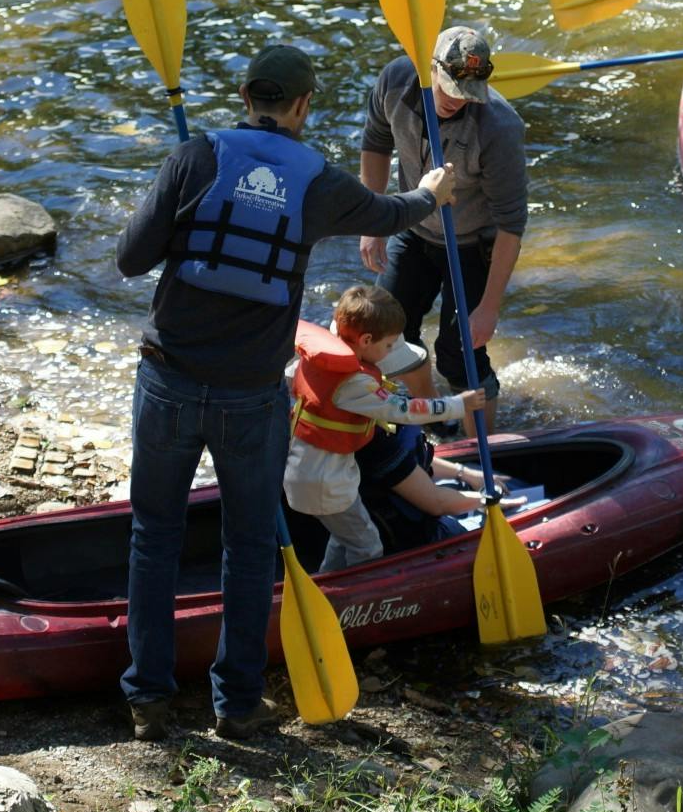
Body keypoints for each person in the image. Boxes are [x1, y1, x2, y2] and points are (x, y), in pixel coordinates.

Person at [115, 43, 457, 743]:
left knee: (154, 535)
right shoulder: (319, 181)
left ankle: (148, 697)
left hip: (170, 380)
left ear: (245, 97)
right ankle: (235, 705)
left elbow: (129, 258)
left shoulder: (195, 157)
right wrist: (435, 193)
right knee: (247, 545)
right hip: (249, 398)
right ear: (303, 105)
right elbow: (391, 214)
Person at [359, 25, 527, 418]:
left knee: (460, 354)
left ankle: (485, 448)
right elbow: (375, 143)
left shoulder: (499, 127)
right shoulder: (396, 82)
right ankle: (424, 422)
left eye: (468, 91)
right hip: (412, 228)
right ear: (430, 68)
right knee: (387, 335)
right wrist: (374, 221)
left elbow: (511, 225)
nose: (457, 99)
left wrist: (489, 308)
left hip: (472, 244)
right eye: (450, 86)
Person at [283, 284, 484, 572]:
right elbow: (404, 410)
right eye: (389, 345)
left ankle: (327, 584)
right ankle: (352, 608)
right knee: (367, 547)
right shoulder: (354, 383)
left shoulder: (311, 362)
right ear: (365, 340)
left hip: (309, 475)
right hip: (326, 485)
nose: (390, 351)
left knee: (345, 538)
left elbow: (288, 384)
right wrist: (457, 405)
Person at [353, 422, 510, 555]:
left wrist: (466, 474)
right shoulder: (372, 442)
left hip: (411, 505)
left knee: (472, 470)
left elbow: (409, 462)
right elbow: (436, 503)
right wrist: (488, 499)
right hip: (409, 536)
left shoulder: (378, 414)